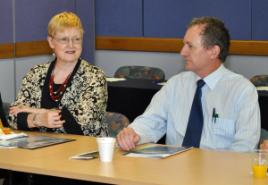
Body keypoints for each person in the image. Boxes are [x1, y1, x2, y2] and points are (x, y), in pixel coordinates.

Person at [117, 16, 260, 152]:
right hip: (175, 170)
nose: (182, 52)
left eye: (190, 46)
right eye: (183, 45)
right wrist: (133, 133)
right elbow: (151, 121)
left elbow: (245, 147)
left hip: (219, 173)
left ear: (213, 51)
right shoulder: (176, 84)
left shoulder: (242, 91)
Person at [8, 11, 108, 137]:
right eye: (64, 39)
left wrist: (37, 111)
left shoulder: (94, 76)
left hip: (83, 151)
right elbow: (13, 116)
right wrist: (39, 119)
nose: (71, 45)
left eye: (76, 39)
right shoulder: (36, 73)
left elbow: (81, 125)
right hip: (39, 151)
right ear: (51, 42)